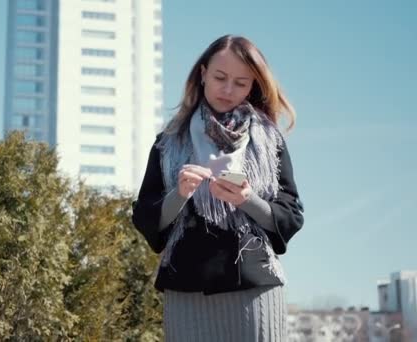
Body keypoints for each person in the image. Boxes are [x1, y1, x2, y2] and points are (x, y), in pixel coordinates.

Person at [131, 34, 305, 341]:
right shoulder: (168, 142)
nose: (227, 90)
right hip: (186, 287)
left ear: (254, 86)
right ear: (202, 75)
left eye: (240, 82)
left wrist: (247, 199)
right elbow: (145, 219)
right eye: (220, 77)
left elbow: (290, 217)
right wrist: (180, 194)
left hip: (255, 287)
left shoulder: (269, 140)